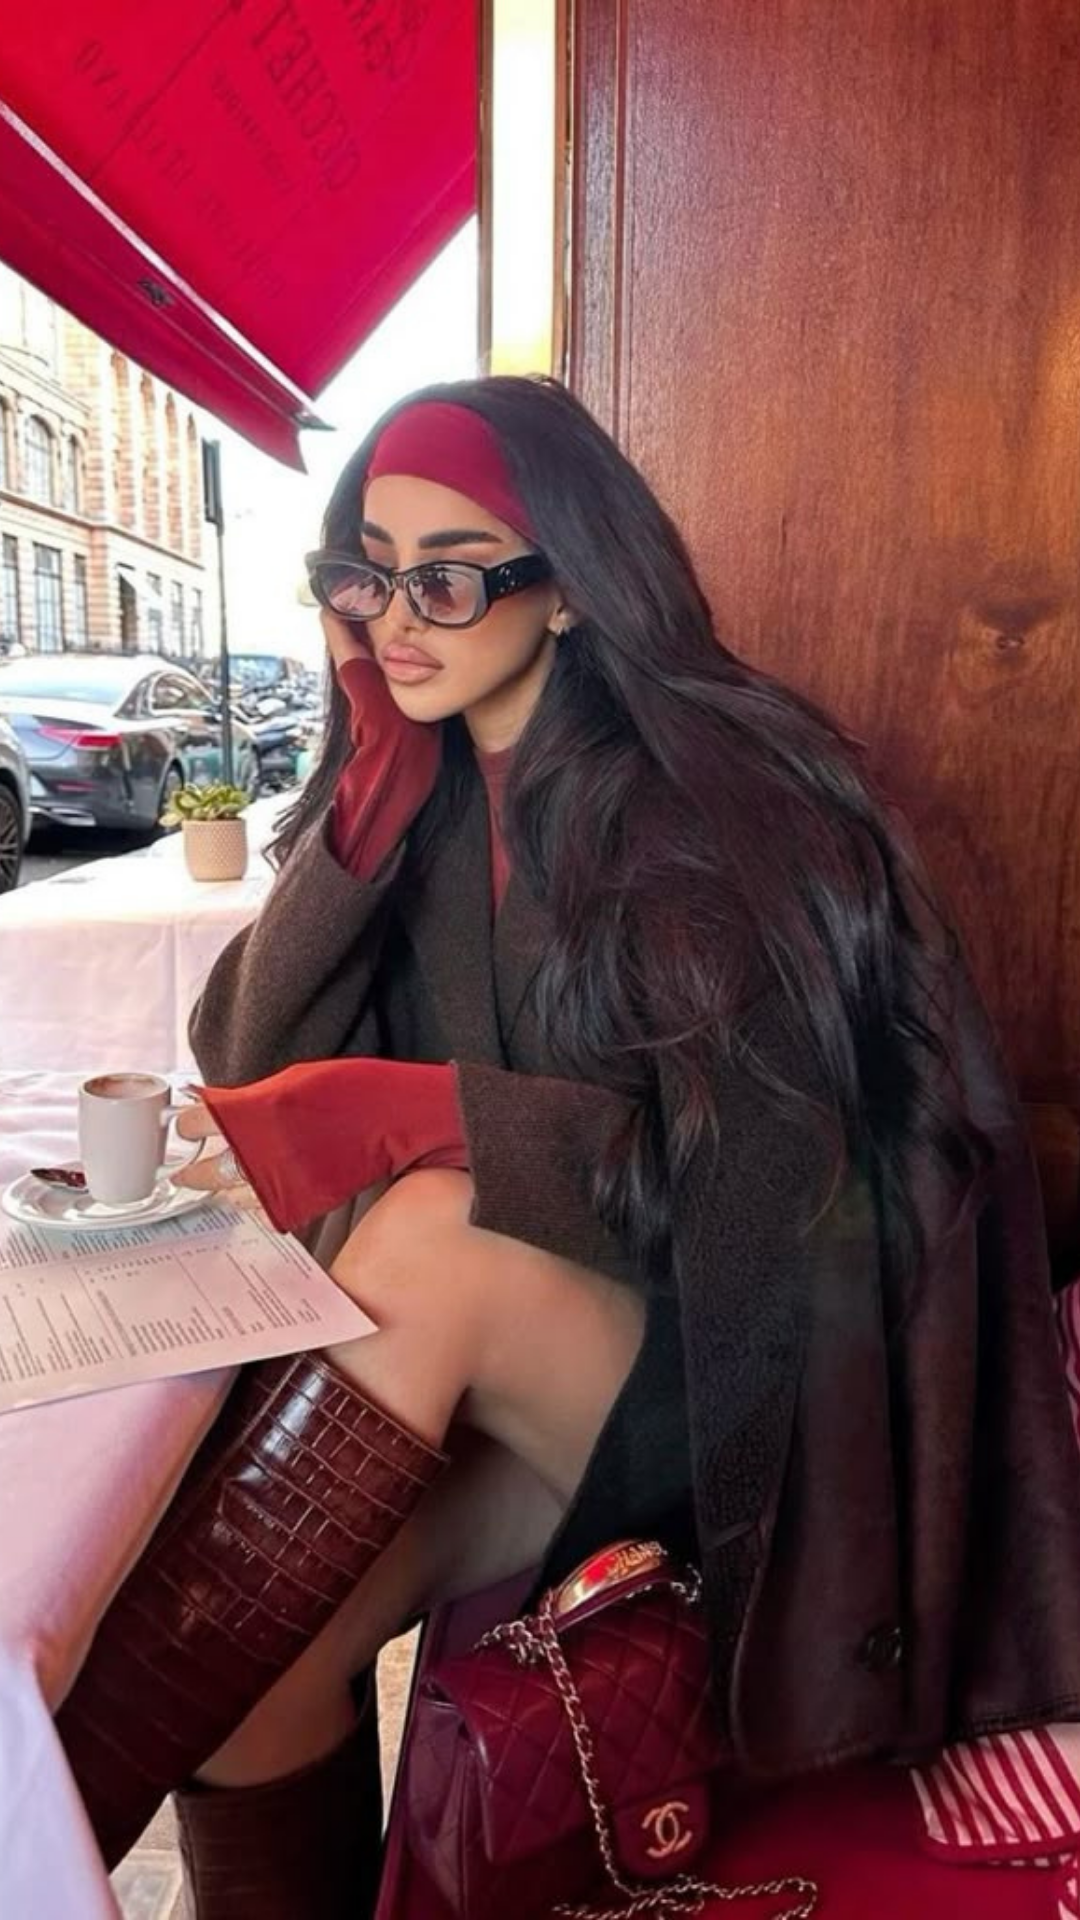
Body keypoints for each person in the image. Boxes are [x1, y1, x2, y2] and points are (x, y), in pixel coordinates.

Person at [57, 378, 1080, 1917]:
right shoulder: (422, 788)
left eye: (451, 577)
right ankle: (50, 1805)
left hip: (761, 1397)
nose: (396, 620)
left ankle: (38, 1807)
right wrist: (361, 806)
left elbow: (768, 1190)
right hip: (556, 1384)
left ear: (574, 592)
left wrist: (422, 1113)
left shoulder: (723, 804)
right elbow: (246, 1055)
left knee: (429, 1235)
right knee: (258, 1681)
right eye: (366, 573)